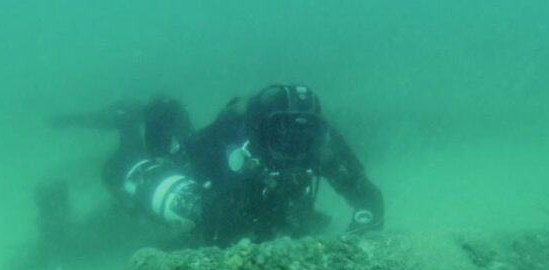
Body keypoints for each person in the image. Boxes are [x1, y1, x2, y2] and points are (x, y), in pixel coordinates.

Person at [59, 84, 384, 246]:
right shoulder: (234, 137)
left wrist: (361, 231)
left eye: (305, 131)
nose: (296, 143)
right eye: (285, 133)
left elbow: (365, 195)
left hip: (263, 200)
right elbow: (214, 219)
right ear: (264, 128)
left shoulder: (319, 140)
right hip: (209, 171)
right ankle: (130, 123)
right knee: (128, 174)